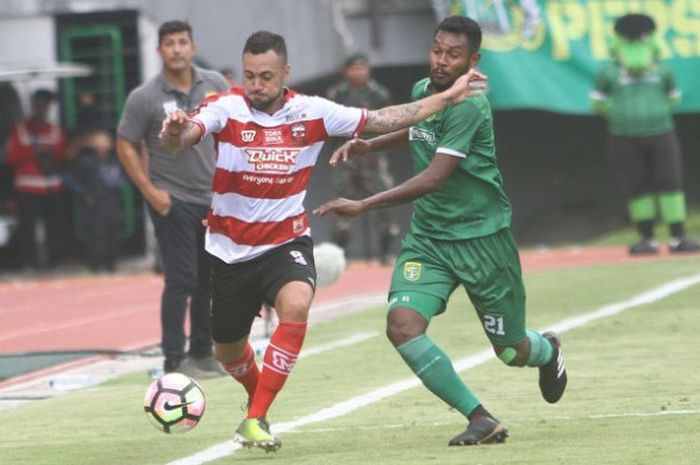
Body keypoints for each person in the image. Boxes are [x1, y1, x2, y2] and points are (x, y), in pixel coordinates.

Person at [159, 30, 485, 452]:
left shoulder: (314, 112)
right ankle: (257, 403)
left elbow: (385, 118)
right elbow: (182, 140)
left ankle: (255, 418)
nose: (256, 85)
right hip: (228, 248)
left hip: (285, 240)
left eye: (266, 76)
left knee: (296, 305)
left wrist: (447, 96)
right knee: (228, 352)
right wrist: (174, 132)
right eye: (250, 75)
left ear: (286, 73)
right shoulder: (227, 106)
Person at [314, 15, 567, 446]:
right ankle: (481, 418)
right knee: (403, 326)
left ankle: (547, 351)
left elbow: (434, 177)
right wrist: (370, 144)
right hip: (430, 239)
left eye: (453, 55)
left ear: (473, 60)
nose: (442, 61)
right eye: (437, 51)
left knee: (511, 352)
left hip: (481, 240)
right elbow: (420, 129)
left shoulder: (470, 105)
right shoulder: (422, 93)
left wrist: (363, 204)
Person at [116, 20, 229, 378]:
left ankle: (202, 353)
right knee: (182, 279)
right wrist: (151, 192)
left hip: (213, 199)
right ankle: (173, 360)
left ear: (193, 47)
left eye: (182, 42)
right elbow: (125, 144)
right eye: (169, 43)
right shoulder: (144, 97)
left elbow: (231, 129)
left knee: (210, 280)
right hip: (172, 199)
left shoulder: (215, 84)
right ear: (159, 50)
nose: (176, 49)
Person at [590, 13, 699, 256]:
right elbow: (597, 102)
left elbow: (674, 98)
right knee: (637, 186)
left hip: (662, 133)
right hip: (624, 136)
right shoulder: (609, 72)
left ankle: (677, 236)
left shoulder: (663, 71)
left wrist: (656, 114)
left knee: (670, 181)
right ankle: (647, 238)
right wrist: (620, 115)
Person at [326, 54, 399, 263]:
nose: (359, 72)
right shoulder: (336, 93)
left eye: (362, 68)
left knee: (383, 197)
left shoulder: (378, 93)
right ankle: (340, 254)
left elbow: (389, 122)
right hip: (345, 156)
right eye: (354, 68)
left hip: (372, 155)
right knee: (339, 203)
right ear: (345, 71)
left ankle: (386, 251)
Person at [5, 88, 68, 270]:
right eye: (39, 104)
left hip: (52, 187)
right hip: (27, 189)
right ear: (33, 105)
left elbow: (63, 154)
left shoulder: (55, 130)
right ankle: (30, 263)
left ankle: (55, 262)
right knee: (28, 228)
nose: (42, 108)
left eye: (46, 105)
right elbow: (10, 156)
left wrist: (49, 151)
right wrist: (34, 151)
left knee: (55, 227)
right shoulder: (20, 130)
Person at [68, 128, 126, 272]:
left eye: (105, 140)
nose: (103, 143)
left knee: (113, 230)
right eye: (99, 140)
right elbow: (73, 178)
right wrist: (85, 193)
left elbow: (122, 179)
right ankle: (95, 264)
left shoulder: (116, 160)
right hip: (94, 201)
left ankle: (111, 263)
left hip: (112, 201)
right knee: (96, 232)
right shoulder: (86, 162)